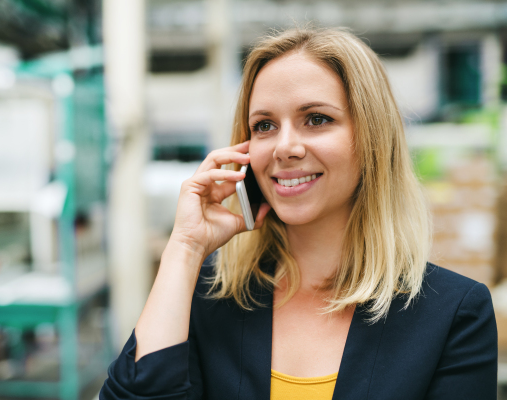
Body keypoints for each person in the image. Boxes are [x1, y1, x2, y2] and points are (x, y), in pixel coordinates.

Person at [100, 26, 498, 399]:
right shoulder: (209, 293)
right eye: (265, 125)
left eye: (317, 119)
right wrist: (184, 249)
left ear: (373, 139)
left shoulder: (453, 313)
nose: (284, 147)